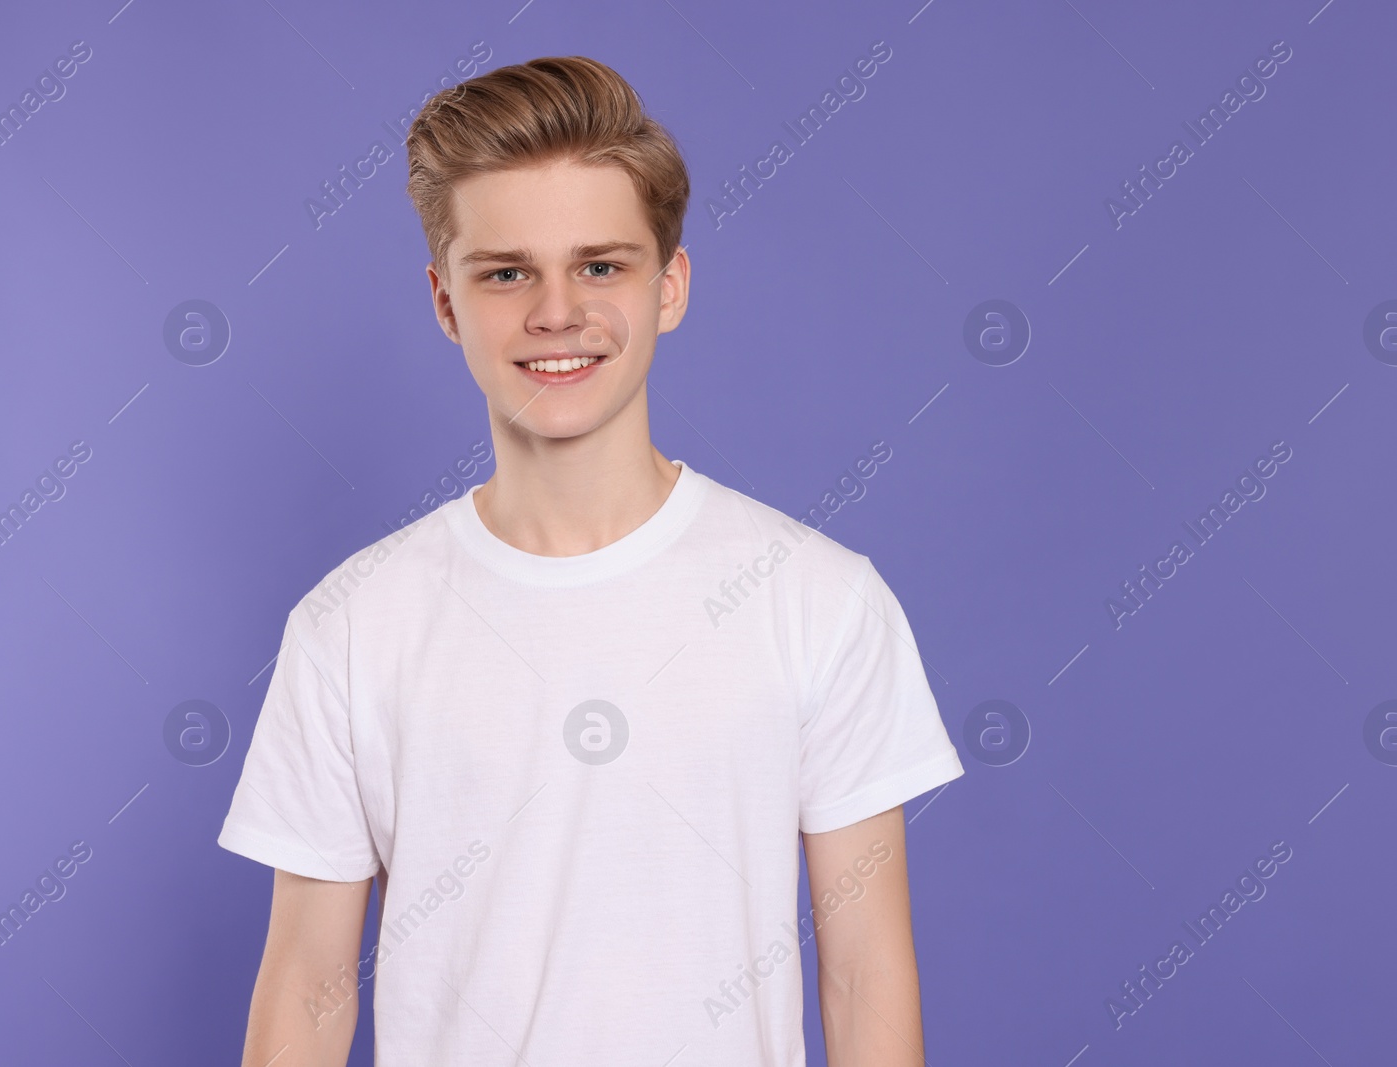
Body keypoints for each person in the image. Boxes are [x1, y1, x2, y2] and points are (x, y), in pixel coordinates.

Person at [217, 54, 963, 1066]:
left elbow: (865, 972)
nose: (556, 311)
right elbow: (307, 981)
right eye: (507, 271)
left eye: (601, 265)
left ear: (671, 286)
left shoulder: (820, 599)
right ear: (446, 301)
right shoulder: (351, 624)